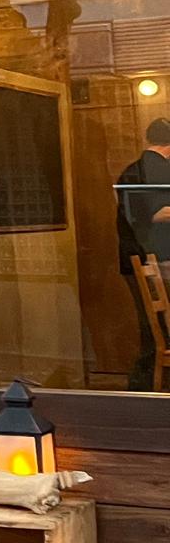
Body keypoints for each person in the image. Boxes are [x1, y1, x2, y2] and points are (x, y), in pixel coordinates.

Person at [116, 119, 170, 387]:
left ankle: (146, 385)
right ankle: (148, 385)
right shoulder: (156, 170)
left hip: (139, 260)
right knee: (157, 330)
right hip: (156, 262)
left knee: (152, 329)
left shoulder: (132, 170)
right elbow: (155, 213)